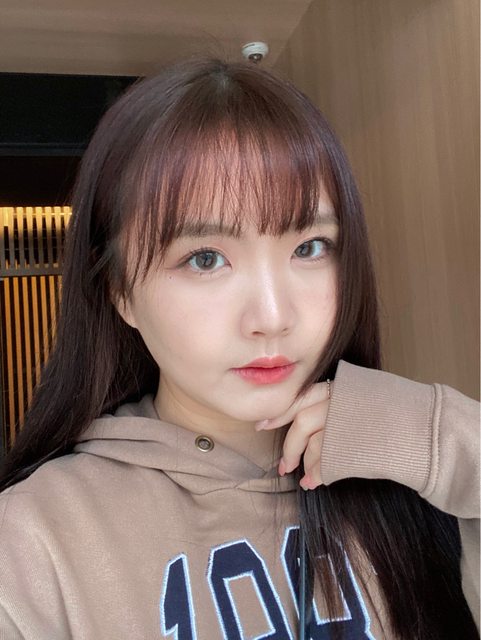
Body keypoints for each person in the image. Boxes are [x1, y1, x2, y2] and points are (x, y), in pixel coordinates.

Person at [0, 58, 478, 640]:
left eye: (310, 247)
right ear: (119, 291)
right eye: (205, 259)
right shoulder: (33, 543)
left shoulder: (422, 480)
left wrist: (444, 439)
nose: (272, 318)